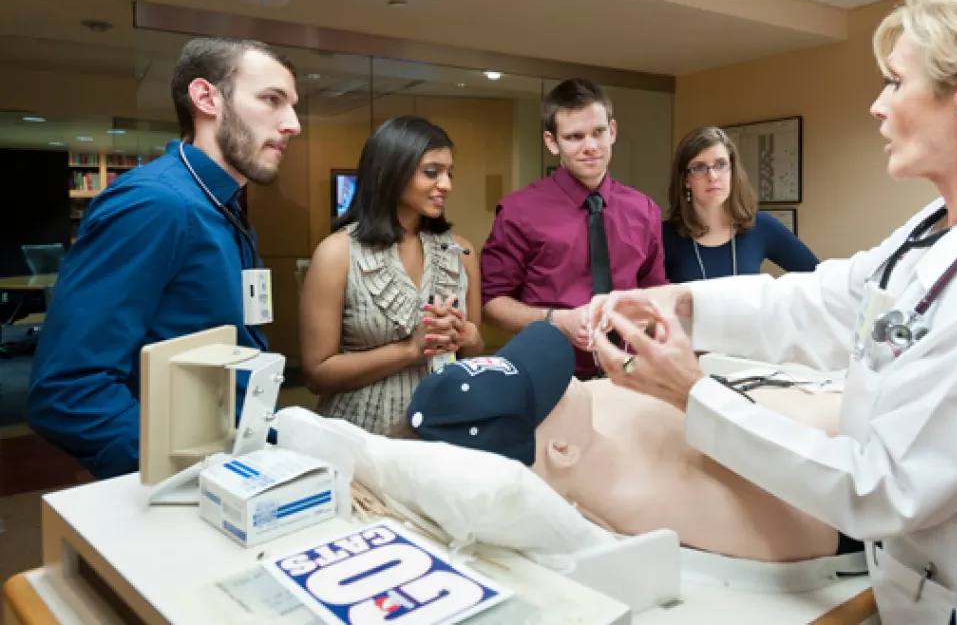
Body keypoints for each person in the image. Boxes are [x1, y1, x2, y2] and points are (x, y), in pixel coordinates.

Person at [586, 0, 957, 624]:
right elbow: (833, 298)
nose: (877, 105)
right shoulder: (942, 225)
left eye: (896, 81)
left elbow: (884, 488)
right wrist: (681, 300)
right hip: (917, 585)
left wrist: (695, 395)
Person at [27, 37, 302, 479]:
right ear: (206, 98)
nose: (292, 124)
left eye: (292, 105)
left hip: (236, 454)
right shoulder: (156, 203)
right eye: (271, 99)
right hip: (189, 481)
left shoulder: (226, 211)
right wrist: (193, 472)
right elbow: (68, 392)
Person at [405, 321, 864, 569]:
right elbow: (820, 524)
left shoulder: (584, 416)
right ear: (560, 451)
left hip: (823, 392)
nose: (567, 378)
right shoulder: (637, 501)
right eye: (551, 387)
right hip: (858, 458)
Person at [300, 116, 483, 436]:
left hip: (443, 432)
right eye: (432, 172)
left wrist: (467, 336)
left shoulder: (461, 253)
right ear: (391, 172)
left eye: (448, 173)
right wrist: (410, 350)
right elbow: (317, 374)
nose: (447, 185)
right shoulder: (338, 254)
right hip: (360, 436)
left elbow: (473, 349)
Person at [480, 78, 667, 379]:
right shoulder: (519, 211)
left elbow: (657, 295)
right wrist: (557, 320)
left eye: (598, 132)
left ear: (613, 131)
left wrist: (645, 320)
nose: (590, 147)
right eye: (575, 137)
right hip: (548, 375)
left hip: (630, 372)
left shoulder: (644, 210)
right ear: (552, 142)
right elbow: (490, 304)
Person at [662, 126, 818, 282]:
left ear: (732, 171)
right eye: (699, 167)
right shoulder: (663, 236)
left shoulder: (761, 226)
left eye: (720, 165)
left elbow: (818, 277)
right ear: (685, 180)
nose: (713, 176)